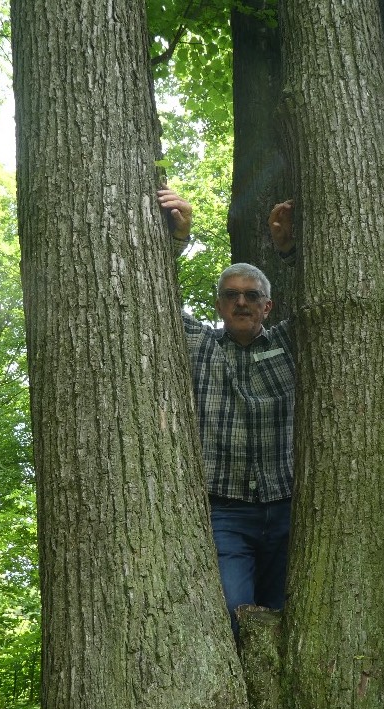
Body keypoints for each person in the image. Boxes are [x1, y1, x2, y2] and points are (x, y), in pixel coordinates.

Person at [157, 187, 297, 636]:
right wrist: (177, 241)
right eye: (231, 295)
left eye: (252, 295)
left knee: (287, 622)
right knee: (236, 617)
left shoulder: (289, 345)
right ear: (219, 305)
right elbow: (151, 296)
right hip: (226, 515)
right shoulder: (200, 346)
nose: (241, 302)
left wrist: (288, 251)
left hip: (290, 511)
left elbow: (327, 303)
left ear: (266, 306)